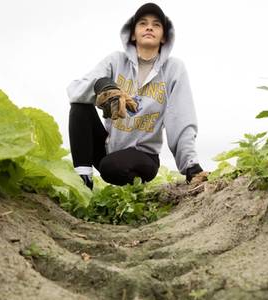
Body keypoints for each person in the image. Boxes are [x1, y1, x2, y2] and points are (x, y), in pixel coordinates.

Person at [67, 2, 203, 190]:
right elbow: (75, 91)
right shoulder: (115, 61)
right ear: (132, 34)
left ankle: (135, 190)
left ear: (164, 37)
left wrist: (191, 165)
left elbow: (181, 117)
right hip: (109, 150)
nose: (149, 27)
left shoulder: (174, 69)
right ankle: (83, 183)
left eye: (156, 24)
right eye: (142, 23)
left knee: (111, 167)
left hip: (144, 156)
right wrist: (101, 85)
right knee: (80, 107)